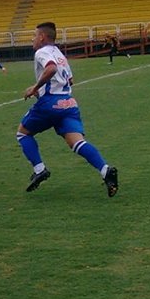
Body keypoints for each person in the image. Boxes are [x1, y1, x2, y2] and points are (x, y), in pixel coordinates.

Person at [17, 22, 118, 197]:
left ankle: (39, 169)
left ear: (42, 37)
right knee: (77, 142)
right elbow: (69, 80)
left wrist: (35, 88)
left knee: (23, 133)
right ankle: (105, 170)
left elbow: (51, 68)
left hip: (50, 103)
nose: (33, 39)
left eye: (34, 36)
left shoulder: (42, 52)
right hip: (68, 103)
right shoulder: (59, 53)